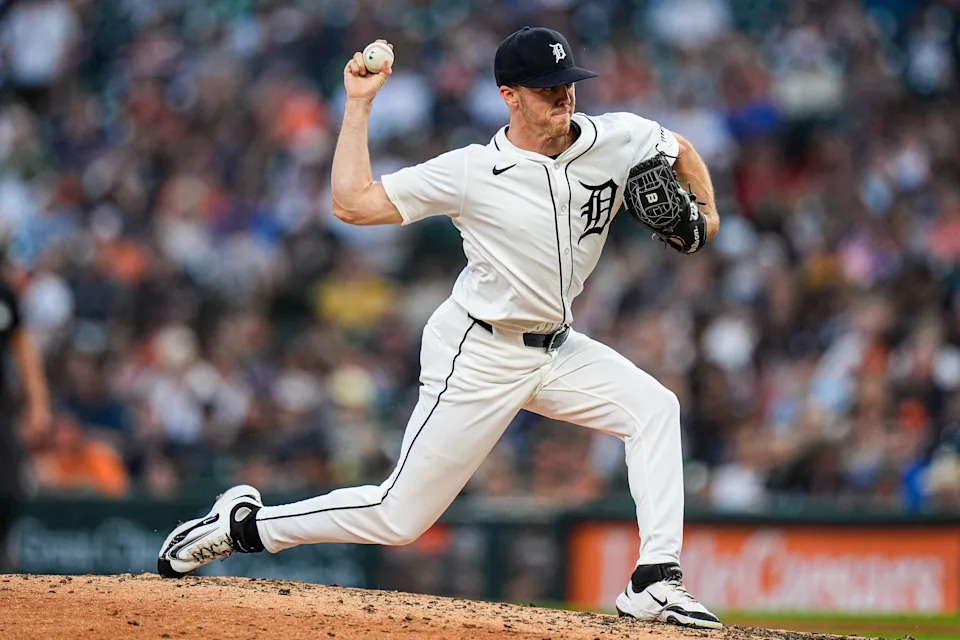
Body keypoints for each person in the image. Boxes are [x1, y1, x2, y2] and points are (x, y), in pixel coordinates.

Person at [158, 27, 722, 629]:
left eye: (567, 85)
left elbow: (677, 145)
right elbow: (353, 203)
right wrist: (358, 103)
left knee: (655, 409)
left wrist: (707, 216)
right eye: (547, 89)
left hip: (558, 348)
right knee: (399, 517)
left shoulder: (616, 137)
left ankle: (655, 581)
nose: (563, 98)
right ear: (509, 95)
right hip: (479, 350)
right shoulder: (472, 172)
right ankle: (244, 527)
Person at [0, 273, 52, 571]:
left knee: (7, 490)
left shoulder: (4, 293)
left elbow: (23, 348)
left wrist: (38, 405)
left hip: (2, 410)